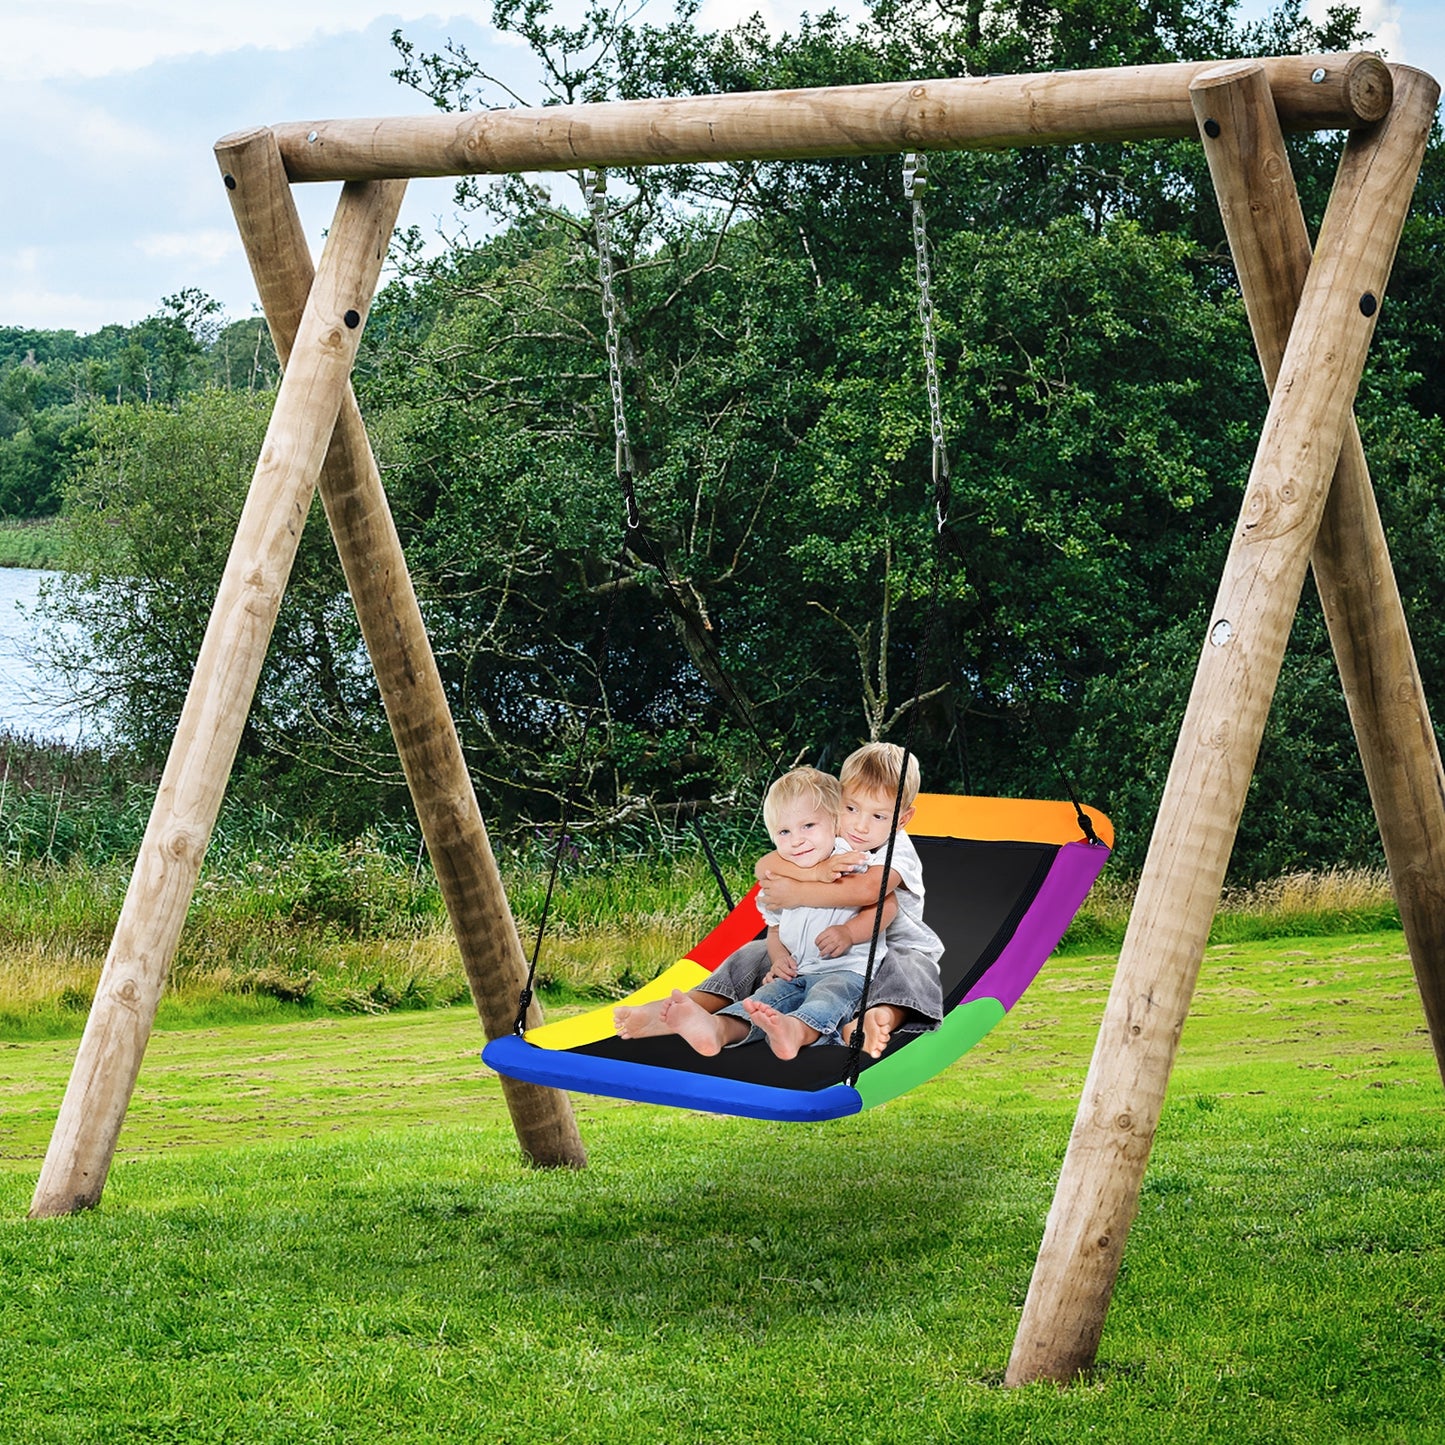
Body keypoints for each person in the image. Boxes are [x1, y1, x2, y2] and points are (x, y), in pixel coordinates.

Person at [615, 742, 943, 1058]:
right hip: (809, 955)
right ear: (837, 802)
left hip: (885, 949)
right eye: (851, 808)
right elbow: (767, 865)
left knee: (910, 969)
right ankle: (685, 1007)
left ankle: (874, 1018)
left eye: (878, 816)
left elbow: (872, 893)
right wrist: (783, 944)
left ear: (900, 820)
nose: (859, 824)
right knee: (751, 953)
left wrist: (798, 892)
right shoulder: (827, 835)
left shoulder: (894, 848)